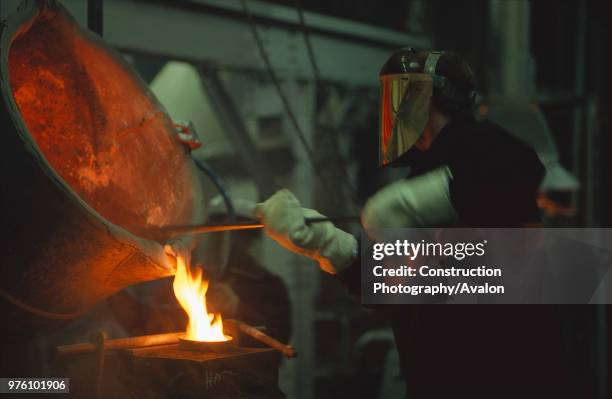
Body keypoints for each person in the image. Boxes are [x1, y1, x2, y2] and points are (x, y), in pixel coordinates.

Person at [254, 49, 582, 398]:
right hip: (438, 377)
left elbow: (515, 174)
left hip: (504, 376)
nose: (393, 110)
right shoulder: (422, 174)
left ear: (433, 98)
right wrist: (323, 241)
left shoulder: (487, 149)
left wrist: (410, 208)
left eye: (403, 94)